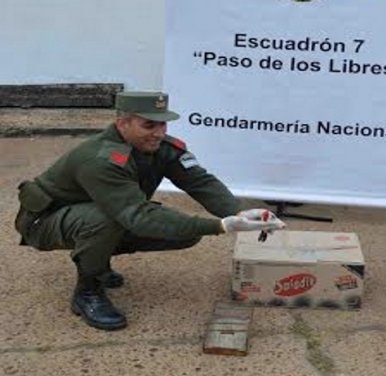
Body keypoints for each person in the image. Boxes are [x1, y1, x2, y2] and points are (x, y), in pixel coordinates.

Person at [14, 91, 286, 331]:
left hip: (97, 211)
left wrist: (238, 212)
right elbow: (138, 216)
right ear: (123, 123)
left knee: (180, 233)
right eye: (149, 125)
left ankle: (99, 256)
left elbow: (200, 182)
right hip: (44, 221)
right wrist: (220, 226)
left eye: (162, 124)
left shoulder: (161, 147)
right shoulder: (100, 160)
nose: (158, 132)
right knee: (105, 219)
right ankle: (88, 290)